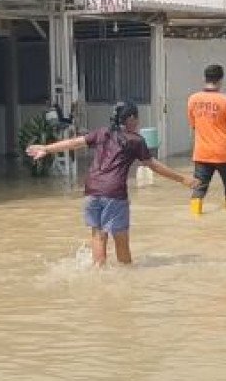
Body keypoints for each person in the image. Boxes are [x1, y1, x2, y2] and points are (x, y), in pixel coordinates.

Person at [27, 102, 196, 267]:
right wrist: (182, 179)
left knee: (98, 236)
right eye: (137, 119)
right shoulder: (135, 140)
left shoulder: (101, 133)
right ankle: (126, 278)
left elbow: (74, 143)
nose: (138, 123)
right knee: (121, 240)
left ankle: (98, 274)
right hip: (114, 193)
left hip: (91, 191)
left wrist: (46, 149)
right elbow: (153, 165)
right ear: (130, 118)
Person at [187, 64, 226, 215]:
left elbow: (193, 125)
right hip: (224, 153)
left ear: (205, 78)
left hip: (202, 153)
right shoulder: (225, 101)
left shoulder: (193, 99)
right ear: (220, 80)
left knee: (198, 188)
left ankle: (195, 218)